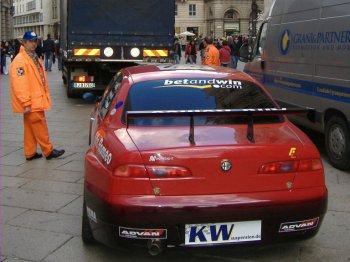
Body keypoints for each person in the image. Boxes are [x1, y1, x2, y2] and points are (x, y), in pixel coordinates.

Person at [10, 31, 65, 161]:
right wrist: (26, 102)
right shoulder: (20, 60)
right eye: (31, 41)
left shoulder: (32, 56)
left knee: (30, 127)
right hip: (32, 101)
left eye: (35, 41)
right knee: (39, 125)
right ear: (24, 42)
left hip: (35, 99)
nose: (34, 44)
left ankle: (30, 152)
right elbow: (20, 84)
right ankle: (48, 151)